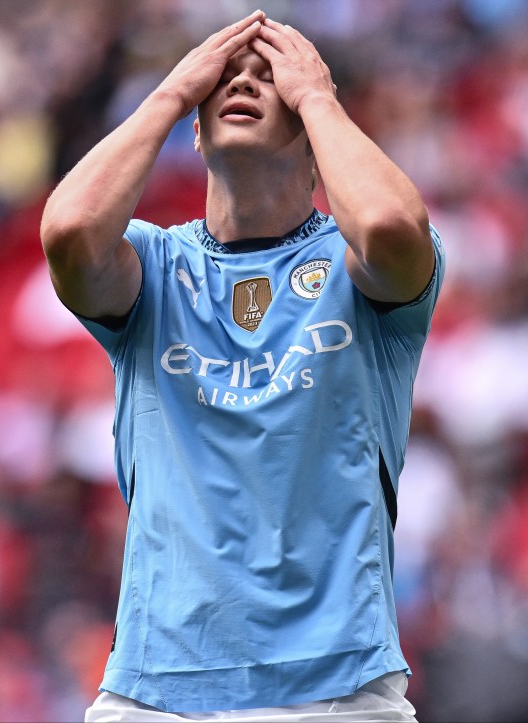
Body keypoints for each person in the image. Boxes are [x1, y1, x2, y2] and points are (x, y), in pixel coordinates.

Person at [40, 9, 444, 722]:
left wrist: (318, 96)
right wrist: (169, 94)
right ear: (195, 131)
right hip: (156, 690)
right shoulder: (155, 268)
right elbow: (70, 231)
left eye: (270, 79)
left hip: (338, 688)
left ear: (320, 146)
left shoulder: (357, 272)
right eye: (227, 78)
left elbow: (386, 223)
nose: (247, 81)